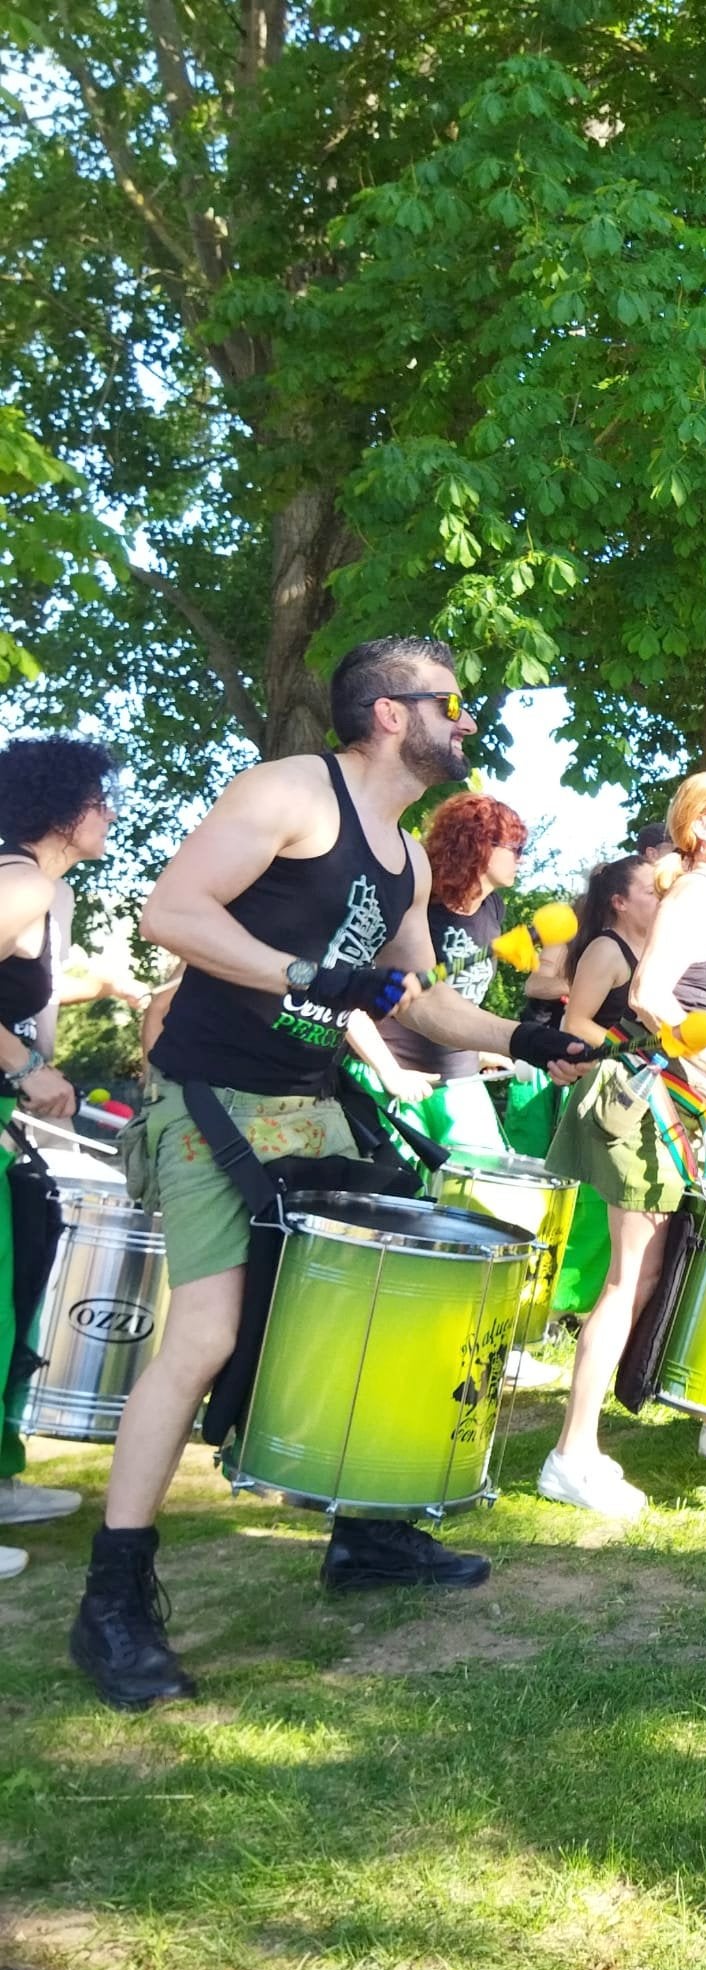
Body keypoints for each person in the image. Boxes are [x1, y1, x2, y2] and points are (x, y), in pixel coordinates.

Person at [67, 639, 588, 1709]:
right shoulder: (292, 790)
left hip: (310, 1101)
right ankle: (111, 1599)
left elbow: (418, 1000)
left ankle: (368, 1531)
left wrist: (528, 1038)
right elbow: (172, 912)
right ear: (392, 713)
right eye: (452, 702)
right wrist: (308, 973)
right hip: (212, 1091)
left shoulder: (398, 853)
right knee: (206, 1333)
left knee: (394, 1280)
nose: (468, 721)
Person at [545, 769, 706, 1487]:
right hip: (652, 1100)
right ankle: (572, 1454)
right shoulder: (696, 896)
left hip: (688, 1104)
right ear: (704, 827)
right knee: (633, 1275)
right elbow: (651, 994)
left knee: (692, 1254)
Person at [0, 737, 122, 1566]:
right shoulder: (19, 881)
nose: (111, 813)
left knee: (15, 1298)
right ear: (63, 808)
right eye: (100, 799)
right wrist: (26, 1067)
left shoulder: (44, 891)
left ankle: (2, 1479)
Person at [534, 850, 665, 1513]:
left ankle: (610, 1412)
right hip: (620, 1105)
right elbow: (573, 1023)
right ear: (618, 898)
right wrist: (637, 1052)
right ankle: (572, 1449)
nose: (662, 893)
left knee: (642, 1273)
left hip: (653, 1101)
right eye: (650, 886)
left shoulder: (659, 949)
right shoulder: (608, 951)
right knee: (624, 1274)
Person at [350, 791, 529, 1149]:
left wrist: (480, 1051)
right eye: (516, 849)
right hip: (388, 1075)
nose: (522, 861)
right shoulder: (415, 901)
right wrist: (390, 1073)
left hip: (459, 1083)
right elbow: (351, 994)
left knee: (476, 1195)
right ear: (480, 845)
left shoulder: (493, 907)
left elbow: (459, 1001)